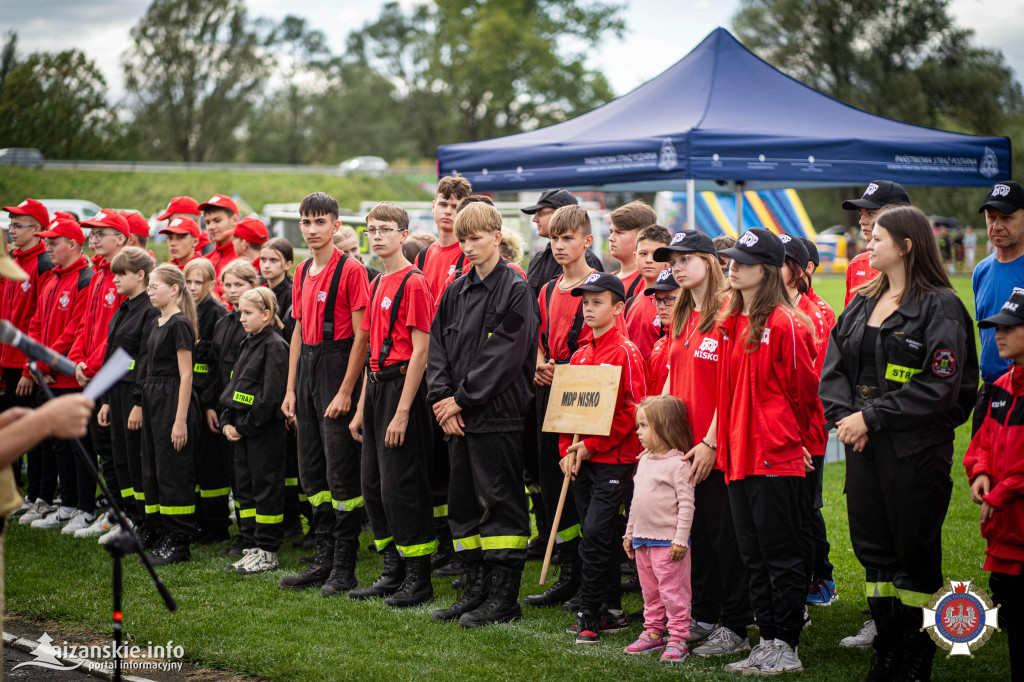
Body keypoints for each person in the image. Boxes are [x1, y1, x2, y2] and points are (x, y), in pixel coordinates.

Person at [819, 206, 978, 681]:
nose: (868, 242)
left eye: (878, 238)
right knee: (875, 556)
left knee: (914, 558)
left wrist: (871, 417)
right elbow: (834, 370)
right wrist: (846, 419)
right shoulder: (864, 300)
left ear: (907, 246)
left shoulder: (941, 306)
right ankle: (885, 651)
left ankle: (915, 658)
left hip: (915, 452)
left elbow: (941, 386)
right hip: (864, 449)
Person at [426, 202, 538, 627]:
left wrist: (462, 399)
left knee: (502, 506)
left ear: (496, 235)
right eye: (463, 239)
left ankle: (504, 597)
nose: (468, 247)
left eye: (475, 238)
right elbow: (438, 349)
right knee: (462, 507)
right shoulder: (455, 289)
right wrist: (443, 400)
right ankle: (475, 590)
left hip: (497, 417)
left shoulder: (515, 289)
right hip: (456, 417)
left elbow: (505, 356)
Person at [715, 228, 819, 675]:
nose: (732, 267)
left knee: (781, 555)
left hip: (776, 454)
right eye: (732, 260)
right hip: (739, 453)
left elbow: (805, 394)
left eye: (742, 261)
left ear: (768, 270)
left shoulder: (788, 322)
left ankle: (787, 645)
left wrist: (803, 446)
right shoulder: (734, 318)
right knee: (753, 555)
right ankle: (769, 639)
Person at [656, 230, 753, 657]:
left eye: (684, 258)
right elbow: (676, 380)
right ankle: (706, 616)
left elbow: (731, 386)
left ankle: (735, 624)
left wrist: (711, 442)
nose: (675, 266)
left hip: (718, 447)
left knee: (723, 536)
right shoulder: (682, 314)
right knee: (697, 535)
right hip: (684, 446)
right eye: (671, 260)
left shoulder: (728, 311)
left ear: (710, 261)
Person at [279, 192, 369, 596]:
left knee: (340, 471)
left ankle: (344, 566)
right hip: (308, 371)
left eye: (321, 222)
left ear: (336, 225)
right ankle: (323, 557)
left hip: (337, 366)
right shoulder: (300, 272)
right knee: (311, 470)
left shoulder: (351, 270)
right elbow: (297, 331)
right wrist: (291, 389)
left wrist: (347, 390)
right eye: (306, 222)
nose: (313, 229)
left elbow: (362, 335)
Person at [348, 202, 436, 607]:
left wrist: (402, 412)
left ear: (404, 234)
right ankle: (392, 569)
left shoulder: (414, 282)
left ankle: (418, 577)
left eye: (385, 229)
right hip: (377, 390)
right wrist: (361, 407)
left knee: (401, 486)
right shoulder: (377, 280)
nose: (377, 236)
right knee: (373, 485)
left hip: (404, 391)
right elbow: (369, 351)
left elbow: (420, 352)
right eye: (371, 230)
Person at [559, 272, 647, 644]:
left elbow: (634, 410)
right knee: (601, 533)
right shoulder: (579, 355)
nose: (589, 308)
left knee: (595, 533)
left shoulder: (626, 351)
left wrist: (591, 445)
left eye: (598, 302)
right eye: (586, 302)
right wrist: (567, 451)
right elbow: (568, 412)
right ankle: (612, 609)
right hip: (582, 461)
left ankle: (590, 613)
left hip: (616, 459)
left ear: (617, 307)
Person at [524, 204, 599, 610]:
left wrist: (566, 368)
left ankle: (591, 577)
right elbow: (537, 336)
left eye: (567, 238)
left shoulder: (597, 285)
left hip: (581, 390)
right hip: (547, 391)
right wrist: (539, 364)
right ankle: (567, 572)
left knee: (582, 483)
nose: (559, 245)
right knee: (553, 481)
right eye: (554, 238)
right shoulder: (547, 288)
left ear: (587, 241)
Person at [963, 288, 1024, 681]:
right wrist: (981, 471)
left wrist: (1001, 492)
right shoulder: (1001, 384)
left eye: (1008, 327)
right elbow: (981, 441)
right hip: (1005, 532)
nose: (997, 335)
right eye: (994, 328)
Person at [25, 215, 94, 531]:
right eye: (46, 242)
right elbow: (36, 323)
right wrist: (36, 362)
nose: (47, 247)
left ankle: (85, 506)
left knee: (77, 445)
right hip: (46, 374)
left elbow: (75, 330)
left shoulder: (84, 279)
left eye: (53, 242)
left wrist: (49, 363)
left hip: (67, 378)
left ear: (73, 244)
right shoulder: (51, 279)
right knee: (56, 443)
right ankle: (66, 504)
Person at [66, 210, 131, 538]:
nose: (91, 238)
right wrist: (77, 358)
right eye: (90, 232)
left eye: (99, 232)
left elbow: (117, 334)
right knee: (99, 443)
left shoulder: (125, 274)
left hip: (112, 374)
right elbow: (86, 325)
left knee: (114, 446)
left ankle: (125, 514)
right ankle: (114, 509)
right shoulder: (97, 274)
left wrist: (90, 367)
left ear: (120, 238)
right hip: (92, 371)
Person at [219, 288, 290, 575]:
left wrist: (243, 426)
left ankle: (268, 550)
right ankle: (251, 544)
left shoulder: (274, 345)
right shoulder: (248, 342)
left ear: (266, 314)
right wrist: (227, 420)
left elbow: (270, 396)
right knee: (246, 490)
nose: (241, 319)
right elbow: (234, 389)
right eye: (240, 313)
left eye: (247, 313)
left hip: (262, 433)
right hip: (242, 432)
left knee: (266, 490)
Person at [622, 395, 695, 663]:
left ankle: (678, 638)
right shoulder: (643, 461)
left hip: (668, 545)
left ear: (664, 427)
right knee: (650, 591)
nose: (638, 432)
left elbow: (687, 506)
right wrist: (629, 533)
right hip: (642, 541)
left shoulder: (678, 464)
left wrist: (680, 540)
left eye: (643, 426)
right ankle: (653, 633)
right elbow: (636, 501)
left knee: (673, 593)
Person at [138, 264, 200, 565]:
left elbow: (186, 375)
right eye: (149, 286)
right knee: (155, 469)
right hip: (154, 400)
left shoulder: (179, 324)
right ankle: (162, 531)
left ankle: (179, 543)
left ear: (174, 289)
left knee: (174, 471)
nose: (150, 292)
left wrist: (179, 420)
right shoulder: (156, 320)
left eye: (155, 286)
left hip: (172, 400)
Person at [97, 247, 159, 545]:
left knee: (137, 463)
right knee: (120, 460)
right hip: (117, 394)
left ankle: (148, 525)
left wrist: (137, 402)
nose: (116, 280)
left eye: (121, 274)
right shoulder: (124, 308)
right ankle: (130, 519)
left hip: (136, 395)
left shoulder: (149, 310)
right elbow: (115, 358)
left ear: (140, 275)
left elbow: (145, 360)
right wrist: (107, 400)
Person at [1, 198, 55, 523]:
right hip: (8, 363)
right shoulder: (12, 261)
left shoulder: (42, 265)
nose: (12, 230)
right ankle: (23, 492)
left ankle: (40, 495)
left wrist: (28, 368)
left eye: (18, 225)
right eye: (10, 224)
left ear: (37, 230)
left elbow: (40, 321)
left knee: (34, 433)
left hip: (27, 367)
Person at [204, 259, 259, 554]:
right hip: (224, 410)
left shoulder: (256, 326)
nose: (233, 290)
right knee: (234, 476)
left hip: (247, 413)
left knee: (249, 477)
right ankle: (244, 533)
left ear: (254, 285)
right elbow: (216, 369)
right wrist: (213, 406)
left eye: (240, 284)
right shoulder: (224, 322)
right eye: (229, 284)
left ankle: (254, 537)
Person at [259, 238, 306, 540]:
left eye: (273, 260)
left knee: (295, 460)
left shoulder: (289, 294)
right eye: (263, 259)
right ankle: (288, 520)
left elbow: (290, 344)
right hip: (269, 380)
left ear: (288, 264)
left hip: (286, 379)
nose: (266, 265)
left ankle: (301, 521)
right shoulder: (261, 294)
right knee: (282, 462)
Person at [183, 258, 231, 544]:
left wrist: (211, 402)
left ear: (212, 284)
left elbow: (215, 365)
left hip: (207, 399)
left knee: (210, 465)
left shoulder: (216, 313)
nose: (192, 288)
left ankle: (217, 525)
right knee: (195, 464)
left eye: (198, 282)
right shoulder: (184, 310)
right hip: (190, 397)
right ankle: (200, 520)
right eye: (188, 282)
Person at [972, 181, 1024, 435]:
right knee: (980, 470)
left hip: (1021, 392)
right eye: (991, 218)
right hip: (989, 390)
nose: (997, 225)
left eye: (1007, 218)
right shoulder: (981, 270)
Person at [522, 189, 603, 298]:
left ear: (560, 213)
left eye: (540, 213)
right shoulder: (539, 258)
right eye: (554, 238)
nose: (535, 219)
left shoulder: (587, 260)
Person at [841, 181, 911, 306]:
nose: (861, 221)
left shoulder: (920, 268)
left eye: (871, 213)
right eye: (861, 214)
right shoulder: (857, 264)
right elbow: (849, 322)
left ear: (901, 216)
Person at [623, 224, 672, 358]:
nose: (649, 260)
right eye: (643, 254)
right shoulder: (630, 302)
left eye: (656, 255)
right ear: (635, 257)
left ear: (669, 260)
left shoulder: (674, 304)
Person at [607, 200, 657, 298]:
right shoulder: (610, 279)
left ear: (642, 235)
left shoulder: (649, 279)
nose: (611, 238)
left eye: (619, 232)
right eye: (611, 232)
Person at [643, 270, 677, 396]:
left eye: (668, 299)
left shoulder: (690, 342)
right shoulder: (659, 344)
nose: (661, 306)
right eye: (658, 300)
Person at [199, 194, 239, 278]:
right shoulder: (205, 261)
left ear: (234, 220)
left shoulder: (245, 258)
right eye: (208, 222)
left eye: (217, 221)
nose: (211, 227)